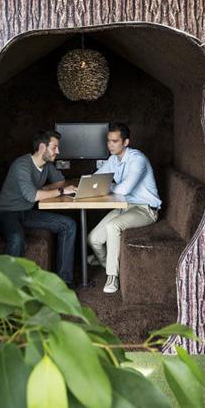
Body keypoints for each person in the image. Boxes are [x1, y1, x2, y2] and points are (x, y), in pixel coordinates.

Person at [0, 130, 78, 285]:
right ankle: (7, 287)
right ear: (42, 147)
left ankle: (64, 283)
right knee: (17, 238)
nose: (58, 151)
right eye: (54, 147)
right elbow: (32, 196)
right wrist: (60, 191)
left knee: (68, 225)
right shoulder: (22, 165)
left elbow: (60, 181)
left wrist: (45, 189)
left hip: (26, 212)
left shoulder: (47, 165)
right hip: (5, 213)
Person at [87, 123, 161, 294]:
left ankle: (112, 276)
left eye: (115, 141)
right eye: (108, 141)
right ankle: (107, 261)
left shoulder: (137, 159)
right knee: (93, 239)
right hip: (125, 207)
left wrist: (108, 186)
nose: (110, 145)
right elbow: (96, 179)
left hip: (146, 209)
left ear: (126, 142)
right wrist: (86, 186)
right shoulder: (113, 159)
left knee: (113, 226)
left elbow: (125, 189)